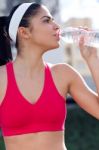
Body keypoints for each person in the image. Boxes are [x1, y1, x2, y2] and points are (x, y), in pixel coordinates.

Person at [0, 2, 99, 150]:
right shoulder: (1, 78)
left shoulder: (64, 74)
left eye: (53, 19)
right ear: (24, 32)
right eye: (47, 20)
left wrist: (92, 59)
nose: (57, 26)